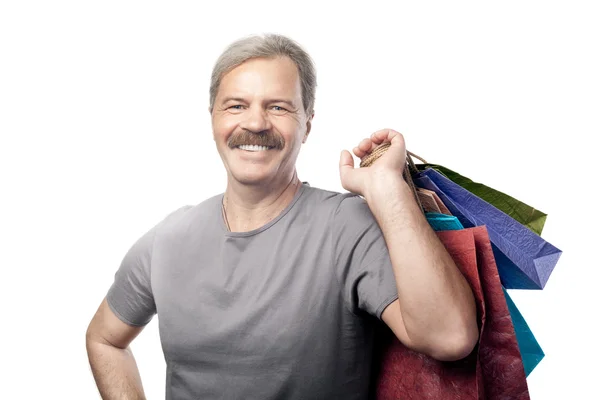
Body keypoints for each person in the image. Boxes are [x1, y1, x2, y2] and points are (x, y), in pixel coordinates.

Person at [85, 33, 478, 400]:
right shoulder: (167, 239)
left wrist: (388, 191)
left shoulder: (348, 227)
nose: (255, 123)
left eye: (278, 107)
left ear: (307, 124)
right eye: (236, 105)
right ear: (214, 120)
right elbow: (104, 339)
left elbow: (450, 336)